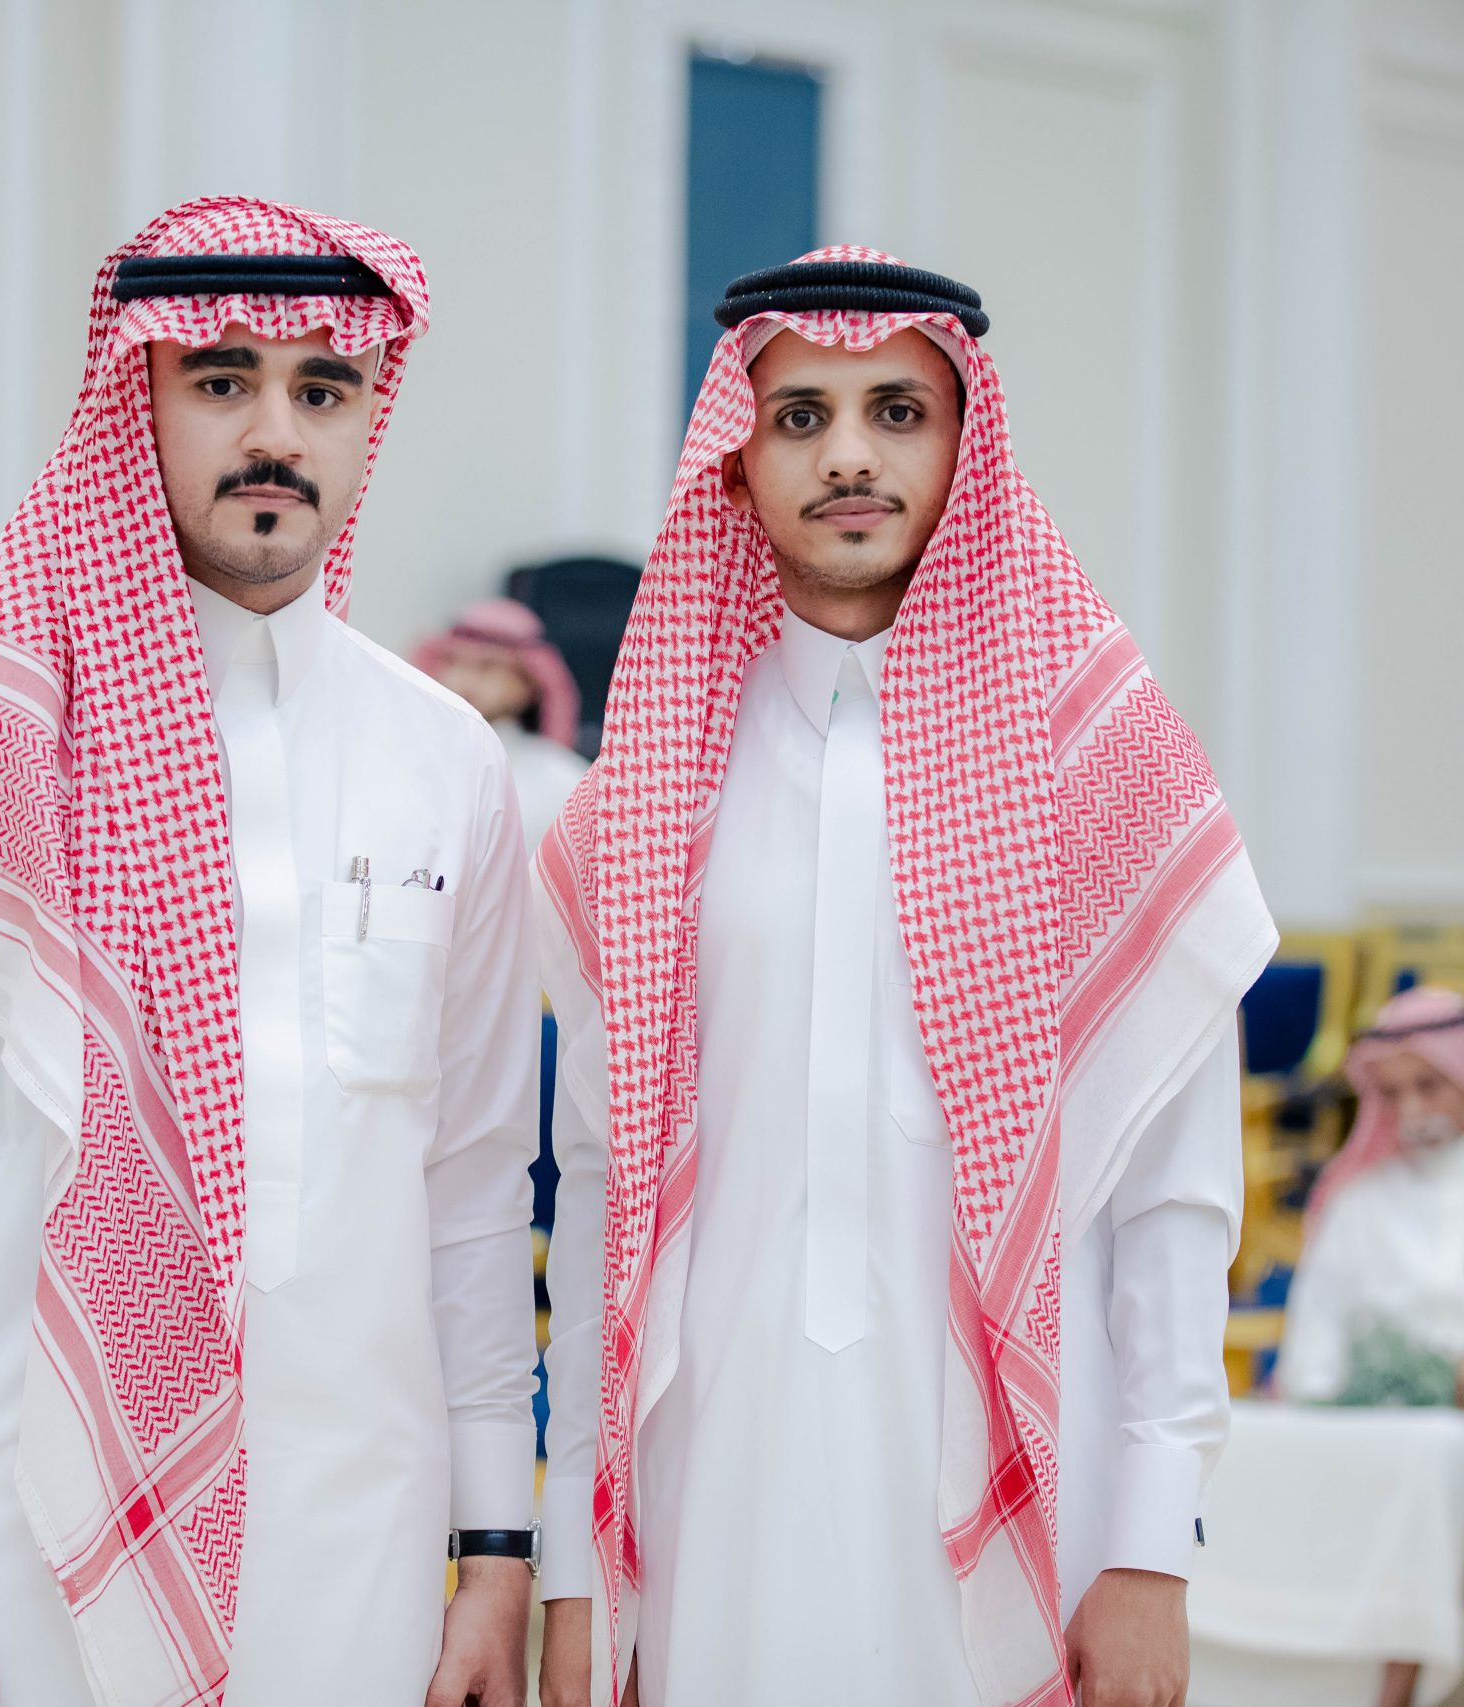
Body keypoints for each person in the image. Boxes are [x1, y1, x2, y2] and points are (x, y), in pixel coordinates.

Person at [0, 198, 540, 1707]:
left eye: (324, 386)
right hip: (3, 1537)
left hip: (356, 1542)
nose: (275, 431)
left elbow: (476, 1185)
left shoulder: (445, 759)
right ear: (137, 398)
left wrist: (493, 1549)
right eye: (222, 379)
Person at [535, 251, 1276, 1707]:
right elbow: (596, 1197)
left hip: (1026, 1485)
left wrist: (1153, 1543)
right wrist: (572, 1562)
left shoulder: (1099, 766)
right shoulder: (642, 800)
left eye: (896, 410)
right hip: (710, 1488)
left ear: (962, 444)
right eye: (800, 416)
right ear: (735, 460)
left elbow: (1174, 1196)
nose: (849, 456)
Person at [1276, 986, 1464, 1411]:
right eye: (1391, 1093)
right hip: (1381, 1428)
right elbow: (1314, 1339)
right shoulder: (1358, 1200)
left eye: (1428, 1086)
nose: (1411, 1109)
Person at [411, 597, 589, 848]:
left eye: (487, 667)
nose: (463, 681)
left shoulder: (565, 783)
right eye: (454, 662)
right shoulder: (405, 761)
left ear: (528, 684)